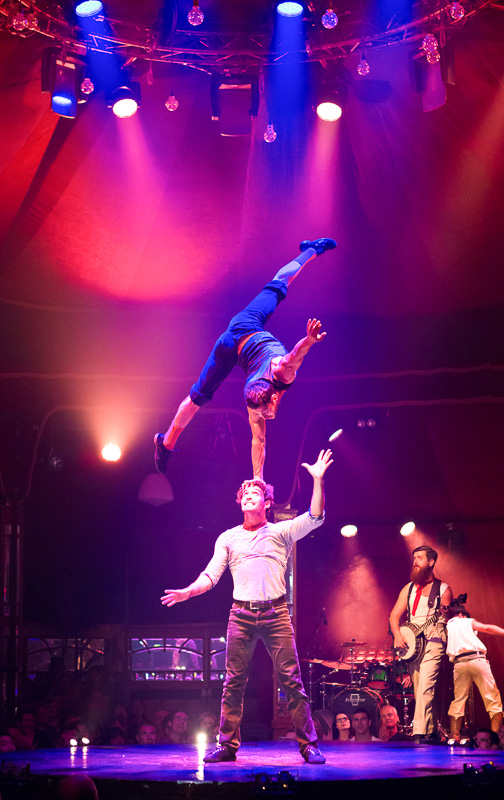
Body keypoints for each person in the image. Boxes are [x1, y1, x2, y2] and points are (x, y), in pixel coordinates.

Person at [161, 448, 333, 764]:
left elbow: (316, 517)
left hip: (275, 613)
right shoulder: (228, 538)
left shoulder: (282, 531)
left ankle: (309, 745)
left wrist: (318, 481)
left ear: (267, 502)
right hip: (240, 614)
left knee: (291, 681)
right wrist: (188, 592)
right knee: (233, 683)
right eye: (245, 494)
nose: (249, 496)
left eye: (256, 493)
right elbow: (210, 575)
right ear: (239, 502)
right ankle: (227, 746)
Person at [154, 238, 337, 480]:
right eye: (257, 411)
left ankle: (312, 249)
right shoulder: (278, 378)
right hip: (242, 331)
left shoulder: (279, 373)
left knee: (279, 283)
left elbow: (295, 354)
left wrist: (309, 341)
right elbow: (296, 353)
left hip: (235, 339)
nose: (258, 415)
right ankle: (165, 444)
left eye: (259, 412)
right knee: (197, 398)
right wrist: (310, 340)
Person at [389, 545, 452, 742]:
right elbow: (394, 615)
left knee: (425, 686)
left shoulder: (443, 589)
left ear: (431, 562)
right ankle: (431, 731)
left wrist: (445, 612)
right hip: (412, 644)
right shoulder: (408, 589)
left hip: (433, 640)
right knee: (419, 691)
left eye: (420, 558)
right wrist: (397, 635)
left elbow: (446, 616)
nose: (415, 561)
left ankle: (418, 733)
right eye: (414, 557)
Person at [446, 604, 504, 741]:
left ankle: (454, 736)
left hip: (459, 664)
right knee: (492, 699)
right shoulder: (466, 621)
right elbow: (486, 628)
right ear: (461, 615)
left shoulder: (448, 626)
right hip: (477, 660)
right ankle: (495, 738)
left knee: (459, 700)